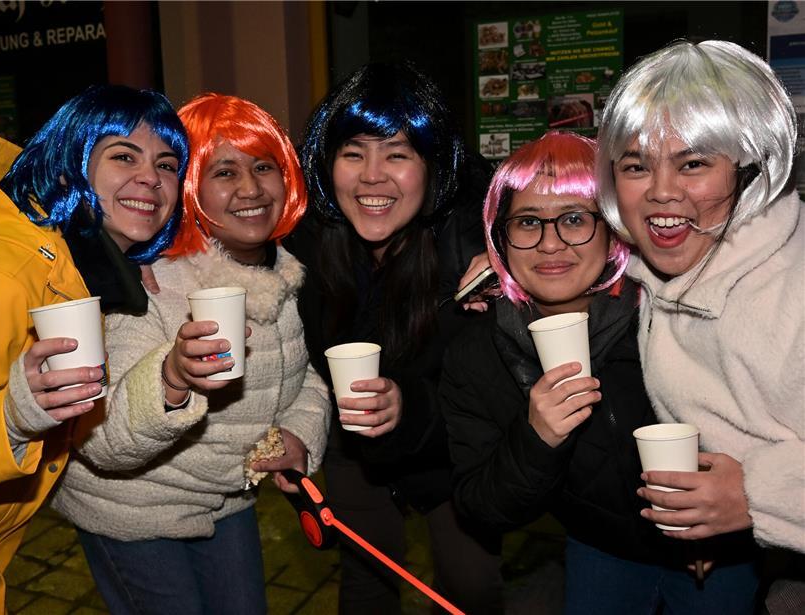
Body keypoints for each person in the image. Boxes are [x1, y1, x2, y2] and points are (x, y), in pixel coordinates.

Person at [440, 130, 759, 614]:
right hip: (599, 547)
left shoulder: (672, 311)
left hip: (714, 543)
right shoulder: (476, 354)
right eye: (527, 222)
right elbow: (481, 507)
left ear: (612, 227)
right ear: (500, 236)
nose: (550, 244)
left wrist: (736, 499)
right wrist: (537, 438)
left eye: (574, 219)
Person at [48, 93, 331, 615]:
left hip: (225, 497)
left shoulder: (285, 270)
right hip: (131, 510)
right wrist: (173, 377)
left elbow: (303, 374)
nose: (250, 188)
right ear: (191, 187)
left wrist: (299, 436)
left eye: (263, 166)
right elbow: (101, 441)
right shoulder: (149, 280)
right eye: (224, 171)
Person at [595, 39, 804, 610]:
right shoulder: (672, 272)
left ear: (750, 170)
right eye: (636, 165)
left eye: (693, 163)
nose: (661, 190)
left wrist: (759, 496)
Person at [288, 62, 503, 614]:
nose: (372, 177)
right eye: (354, 153)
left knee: (470, 589)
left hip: (449, 449)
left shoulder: (467, 249)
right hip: (353, 445)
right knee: (367, 580)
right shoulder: (312, 240)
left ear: (431, 167)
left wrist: (508, 253)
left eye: (398, 154)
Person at [0, 85, 188, 614]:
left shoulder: (77, 267)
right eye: (124, 156)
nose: (151, 177)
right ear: (69, 165)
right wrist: (10, 419)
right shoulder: (5, 272)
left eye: (167, 165)